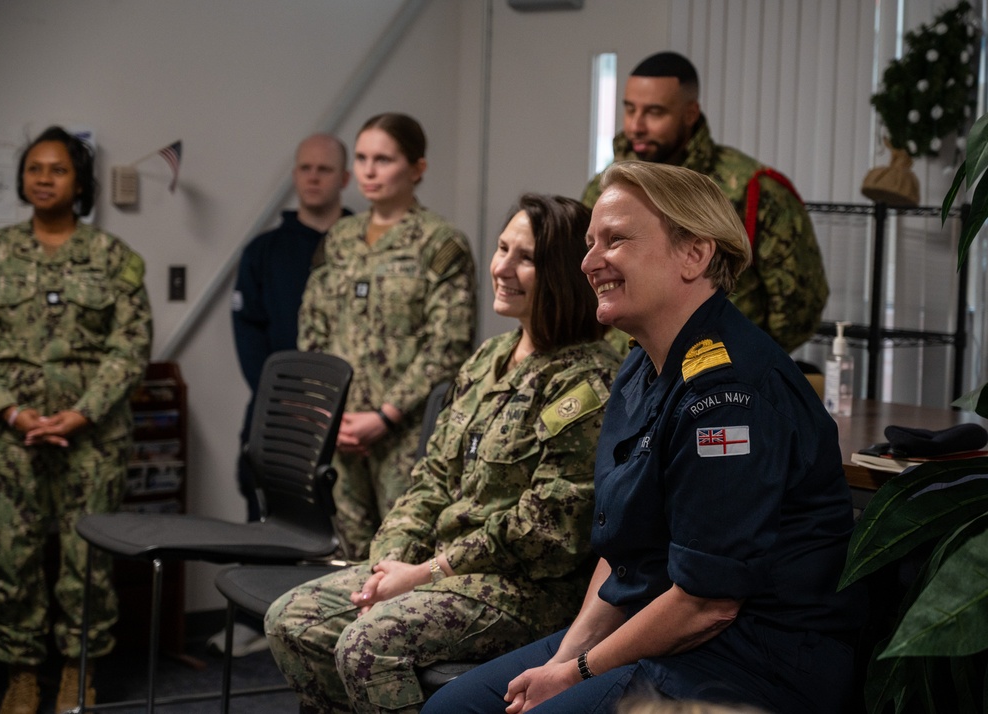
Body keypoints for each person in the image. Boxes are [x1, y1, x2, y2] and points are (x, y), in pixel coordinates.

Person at [423, 162, 863, 714]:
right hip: (651, 629)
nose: (588, 262)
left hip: (748, 662)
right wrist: (571, 658)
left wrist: (577, 672)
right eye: (589, 244)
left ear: (694, 254)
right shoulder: (639, 368)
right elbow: (622, 554)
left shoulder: (730, 394)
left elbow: (708, 603)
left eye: (616, 240)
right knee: (453, 708)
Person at [266, 194, 621, 714]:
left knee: (367, 647)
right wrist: (388, 560)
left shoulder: (585, 381)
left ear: (563, 274)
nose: (501, 267)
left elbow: (546, 531)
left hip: (520, 590)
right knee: (290, 620)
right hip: (438, 565)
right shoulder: (488, 358)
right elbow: (431, 475)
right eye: (503, 248)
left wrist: (427, 572)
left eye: (526, 258)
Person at [0, 127, 152, 714]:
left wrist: (81, 413)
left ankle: (78, 673)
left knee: (87, 564)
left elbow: (131, 344)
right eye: (34, 168)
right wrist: (11, 409)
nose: (44, 179)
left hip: (94, 439)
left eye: (57, 170)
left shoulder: (113, 258)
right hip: (10, 440)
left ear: (78, 182)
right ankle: (21, 673)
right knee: (14, 561)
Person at [298, 113, 476, 560]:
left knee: (401, 556)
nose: (369, 171)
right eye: (360, 159)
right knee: (345, 556)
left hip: (406, 434)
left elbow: (448, 344)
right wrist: (327, 411)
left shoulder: (439, 242)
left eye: (384, 159)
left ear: (417, 168)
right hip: (340, 429)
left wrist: (386, 415)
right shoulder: (339, 238)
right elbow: (312, 328)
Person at [582, 52, 827, 355]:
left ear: (690, 113)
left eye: (655, 112)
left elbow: (798, 307)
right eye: (630, 110)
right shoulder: (604, 190)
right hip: (622, 372)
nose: (636, 126)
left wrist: (744, 361)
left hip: (721, 372)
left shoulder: (754, 188)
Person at [217, 134, 352, 658]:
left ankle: (330, 626)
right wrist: (288, 399)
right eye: (304, 168)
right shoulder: (265, 250)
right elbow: (250, 336)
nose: (313, 176)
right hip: (281, 410)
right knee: (263, 498)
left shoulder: (360, 243)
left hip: (352, 415)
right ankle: (255, 618)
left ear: (344, 178)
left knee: (342, 519)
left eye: (324, 168)